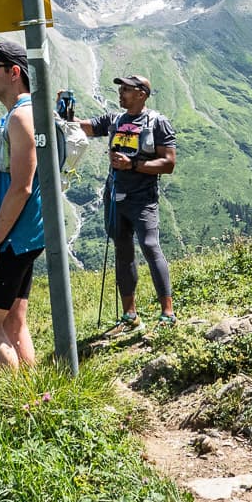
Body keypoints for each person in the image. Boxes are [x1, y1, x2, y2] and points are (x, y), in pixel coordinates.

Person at [0, 39, 47, 369]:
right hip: (29, 234)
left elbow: (20, 188)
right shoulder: (28, 114)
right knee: (13, 321)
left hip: (15, 237)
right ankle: (36, 397)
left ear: (14, 72)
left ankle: (18, 404)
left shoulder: (20, 118)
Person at [77, 74, 177, 329]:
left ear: (141, 94)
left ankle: (168, 313)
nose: (121, 93)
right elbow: (82, 127)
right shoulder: (114, 120)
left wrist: (133, 164)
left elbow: (168, 164)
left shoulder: (157, 123)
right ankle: (130, 315)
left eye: (126, 90)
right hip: (115, 196)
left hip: (142, 198)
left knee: (150, 246)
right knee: (123, 252)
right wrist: (63, 113)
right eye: (120, 89)